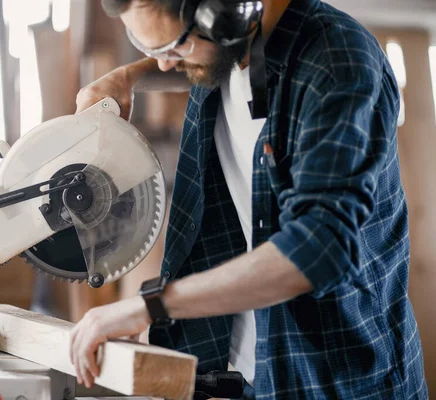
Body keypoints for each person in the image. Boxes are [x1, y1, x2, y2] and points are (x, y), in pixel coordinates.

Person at [69, 0, 428, 398]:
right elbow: (204, 60)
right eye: (152, 48)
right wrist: (129, 76)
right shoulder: (235, 46)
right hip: (246, 368)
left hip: (333, 374)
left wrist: (149, 306)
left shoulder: (338, 63)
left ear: (224, 14)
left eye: (175, 47)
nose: (168, 64)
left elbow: (317, 250)